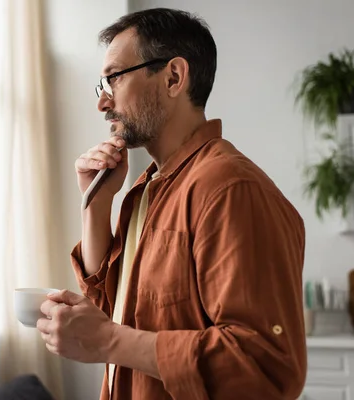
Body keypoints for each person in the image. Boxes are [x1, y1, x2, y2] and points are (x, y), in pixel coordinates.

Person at [36, 7, 307, 400]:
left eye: (113, 78)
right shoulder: (147, 189)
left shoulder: (230, 189)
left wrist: (110, 341)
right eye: (102, 85)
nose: (102, 102)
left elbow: (266, 366)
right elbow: (117, 315)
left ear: (174, 77)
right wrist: (94, 205)